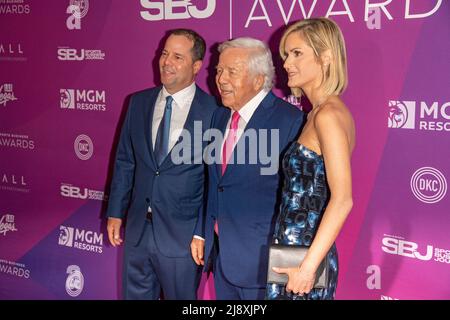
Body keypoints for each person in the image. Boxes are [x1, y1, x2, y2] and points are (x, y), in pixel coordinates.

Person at [106, 29, 218, 300]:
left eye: (178, 57)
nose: (167, 62)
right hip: (137, 232)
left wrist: (202, 233)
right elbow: (125, 161)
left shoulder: (214, 111)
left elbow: (214, 180)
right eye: (165, 53)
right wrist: (116, 212)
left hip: (184, 239)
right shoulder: (138, 103)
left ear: (196, 66)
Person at [191, 37, 304, 300]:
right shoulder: (220, 116)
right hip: (221, 261)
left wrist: (294, 265)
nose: (221, 79)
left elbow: (300, 200)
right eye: (219, 70)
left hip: (265, 266)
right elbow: (215, 183)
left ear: (258, 78)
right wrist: (202, 230)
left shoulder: (291, 121)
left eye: (232, 71)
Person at [266, 17, 355, 300]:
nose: (287, 63)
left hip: (305, 258)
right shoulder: (316, 114)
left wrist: (308, 267)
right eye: (285, 55)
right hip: (294, 252)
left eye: (296, 53)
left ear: (325, 57)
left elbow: (343, 199)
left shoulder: (328, 115)